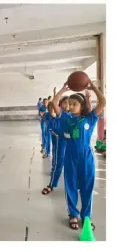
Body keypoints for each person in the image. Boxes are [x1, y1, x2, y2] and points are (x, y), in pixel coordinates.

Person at [51, 81, 106, 231]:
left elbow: (103, 102)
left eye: (74, 104)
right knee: (71, 186)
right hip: (70, 157)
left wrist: (93, 88)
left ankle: (86, 216)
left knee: (87, 187)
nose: (70, 106)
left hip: (86, 158)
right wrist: (63, 90)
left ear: (82, 106)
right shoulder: (66, 118)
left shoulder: (90, 118)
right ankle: (73, 214)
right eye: (69, 104)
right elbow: (54, 103)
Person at [42, 95, 69, 195]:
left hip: (71, 143)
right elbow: (52, 129)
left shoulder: (72, 115)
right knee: (58, 163)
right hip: (60, 142)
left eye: (70, 103)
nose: (68, 105)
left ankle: (74, 186)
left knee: (72, 165)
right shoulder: (58, 116)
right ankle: (52, 184)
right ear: (60, 105)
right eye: (65, 103)